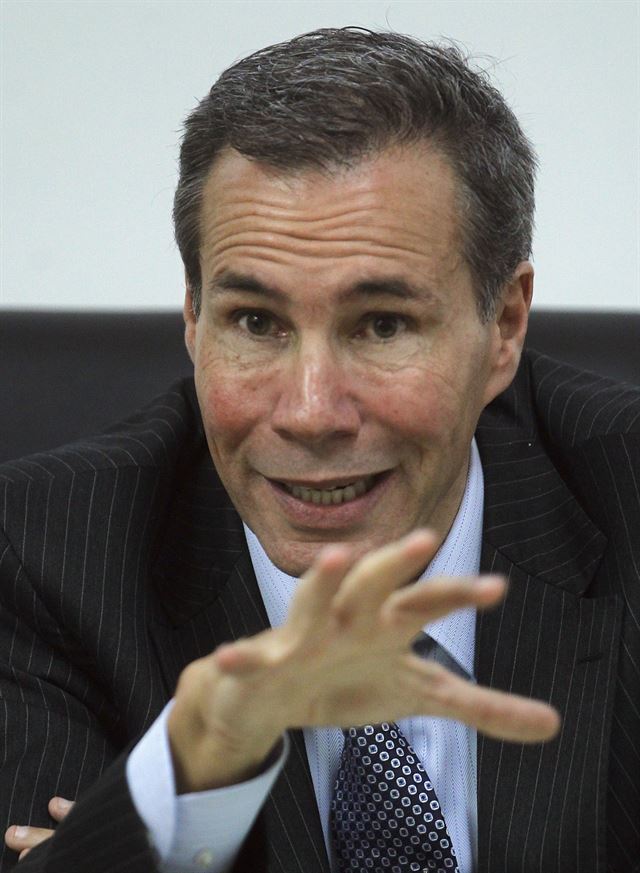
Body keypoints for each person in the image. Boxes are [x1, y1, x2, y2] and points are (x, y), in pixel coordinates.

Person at [1, 27, 638, 873]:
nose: (309, 413)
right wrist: (200, 775)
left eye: (382, 324)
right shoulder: (44, 557)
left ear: (504, 329)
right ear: (193, 321)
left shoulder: (625, 489)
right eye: (256, 323)